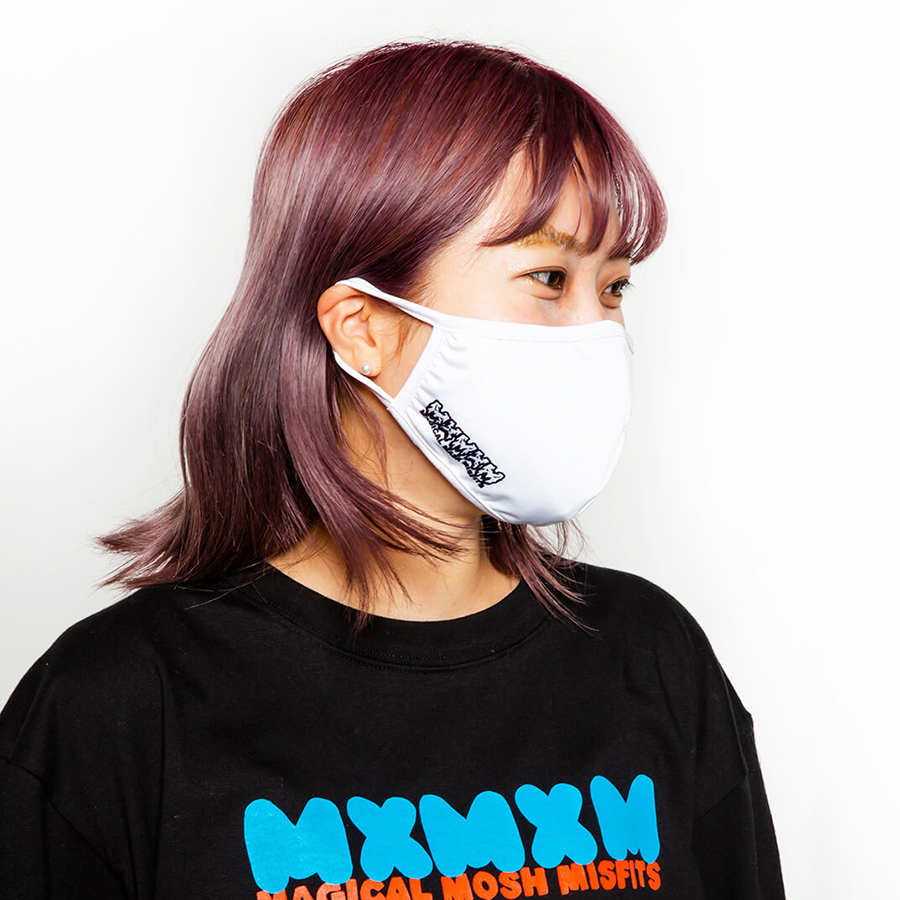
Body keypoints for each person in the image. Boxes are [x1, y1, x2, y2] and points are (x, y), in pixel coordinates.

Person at [0, 41, 784, 899]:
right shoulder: (115, 705)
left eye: (614, 288)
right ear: (364, 328)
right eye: (548, 276)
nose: (597, 336)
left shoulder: (653, 656)